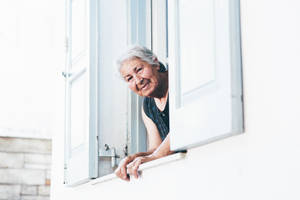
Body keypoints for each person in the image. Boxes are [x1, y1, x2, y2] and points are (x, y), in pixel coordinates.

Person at [115, 45, 173, 181]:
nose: (138, 80)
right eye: (129, 78)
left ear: (155, 63)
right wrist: (131, 159)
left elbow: (185, 123)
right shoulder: (147, 107)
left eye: (139, 69)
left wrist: (155, 157)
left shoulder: (179, 82)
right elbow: (156, 148)